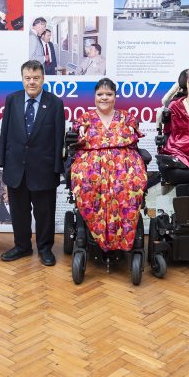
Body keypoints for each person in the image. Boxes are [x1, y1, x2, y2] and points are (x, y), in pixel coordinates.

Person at [0, 60, 65, 265]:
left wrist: (57, 168)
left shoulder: (55, 103)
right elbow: (5, 132)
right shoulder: (12, 100)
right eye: (27, 78)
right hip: (16, 167)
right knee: (19, 212)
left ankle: (45, 248)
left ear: (43, 79)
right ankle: (22, 246)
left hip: (44, 169)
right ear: (22, 79)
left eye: (36, 78)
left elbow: (59, 138)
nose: (32, 82)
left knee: (44, 213)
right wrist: (2, 161)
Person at [70, 78, 147, 252]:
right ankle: (97, 234)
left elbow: (134, 138)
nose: (104, 98)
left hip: (124, 162)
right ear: (94, 96)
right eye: (100, 94)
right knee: (86, 182)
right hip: (91, 161)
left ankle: (122, 238)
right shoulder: (85, 118)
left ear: (115, 96)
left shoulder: (127, 117)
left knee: (131, 184)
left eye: (109, 94)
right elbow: (76, 137)